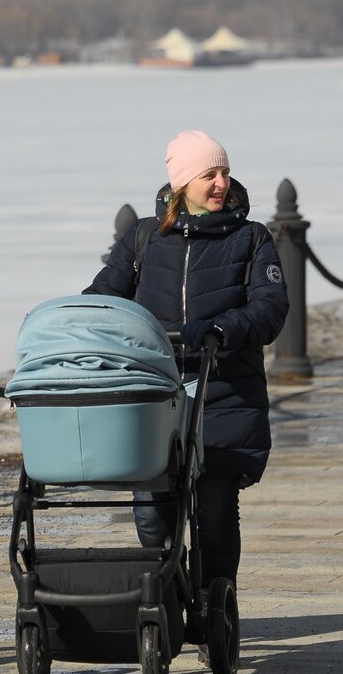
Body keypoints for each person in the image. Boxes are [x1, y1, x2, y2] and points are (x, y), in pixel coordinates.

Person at [84, 130, 288, 640]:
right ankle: (166, 597)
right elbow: (105, 296)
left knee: (215, 510)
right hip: (155, 396)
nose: (221, 183)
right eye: (208, 174)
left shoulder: (251, 238)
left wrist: (222, 328)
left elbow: (270, 308)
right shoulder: (145, 238)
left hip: (225, 393)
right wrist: (82, 322)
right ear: (181, 182)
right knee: (152, 510)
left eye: (224, 173)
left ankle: (213, 606)